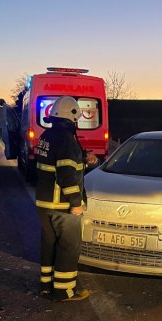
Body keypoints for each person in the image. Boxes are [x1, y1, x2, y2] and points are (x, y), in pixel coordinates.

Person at [35, 96, 91, 302]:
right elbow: (67, 175)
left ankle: (46, 286)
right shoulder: (67, 139)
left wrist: (83, 159)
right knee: (68, 247)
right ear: (72, 116)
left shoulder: (46, 135)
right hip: (62, 206)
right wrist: (76, 203)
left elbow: (54, 163)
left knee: (48, 245)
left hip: (44, 204)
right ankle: (65, 290)